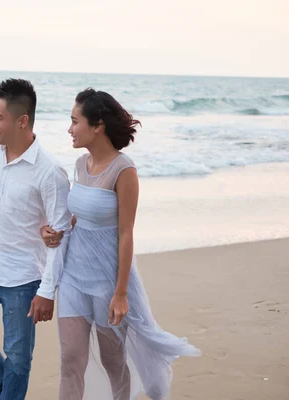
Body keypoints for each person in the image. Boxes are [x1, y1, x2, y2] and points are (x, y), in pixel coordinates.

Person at [41, 88, 201, 400]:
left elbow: (126, 233)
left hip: (107, 280)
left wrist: (121, 293)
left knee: (113, 361)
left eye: (75, 121)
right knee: (70, 360)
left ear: (97, 126)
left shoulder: (124, 169)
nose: (69, 128)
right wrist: (55, 232)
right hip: (73, 276)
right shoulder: (79, 165)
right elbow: (78, 217)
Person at [0, 78, 72, 400]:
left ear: (22, 121)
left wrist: (47, 291)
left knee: (19, 359)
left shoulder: (50, 172)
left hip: (22, 277)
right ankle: (1, 379)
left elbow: (61, 236)